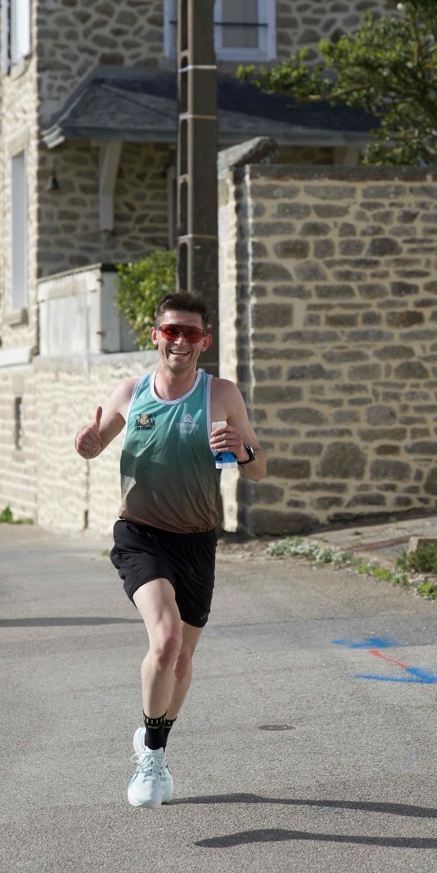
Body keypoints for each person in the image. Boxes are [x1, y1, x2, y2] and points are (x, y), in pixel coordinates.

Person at [74, 290, 266, 809]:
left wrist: (243, 451)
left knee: (181, 660)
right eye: (171, 330)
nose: (179, 340)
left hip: (197, 541)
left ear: (205, 341)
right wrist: (88, 444)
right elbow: (97, 442)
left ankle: (153, 739)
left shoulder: (221, 394)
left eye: (190, 332)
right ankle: (153, 757)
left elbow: (259, 468)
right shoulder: (131, 391)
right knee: (164, 641)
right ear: (155, 336)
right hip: (141, 536)